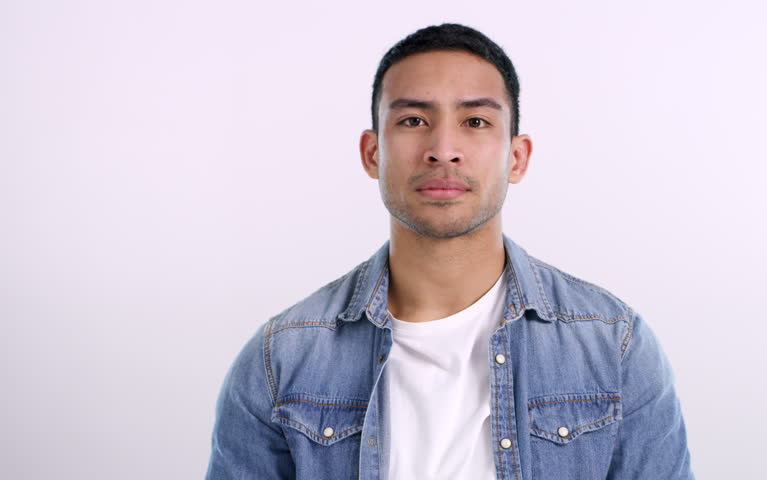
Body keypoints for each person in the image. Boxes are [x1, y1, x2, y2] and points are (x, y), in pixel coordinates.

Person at [205, 23, 694, 479]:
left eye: (475, 121)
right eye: (413, 120)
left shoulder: (613, 346)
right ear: (372, 153)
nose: (443, 148)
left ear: (517, 157)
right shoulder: (281, 360)